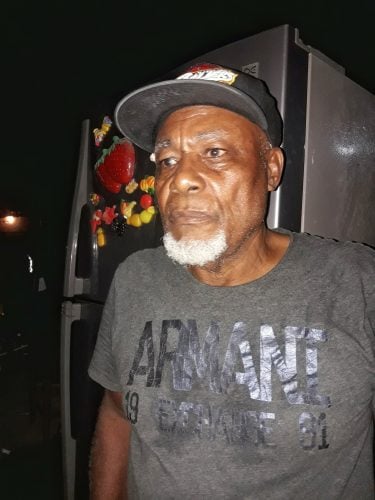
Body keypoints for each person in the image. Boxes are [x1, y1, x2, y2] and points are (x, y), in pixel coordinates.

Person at [88, 62, 375, 499]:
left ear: (271, 168)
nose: (179, 178)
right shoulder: (135, 280)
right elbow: (115, 413)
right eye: (167, 160)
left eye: (215, 153)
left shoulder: (357, 282)